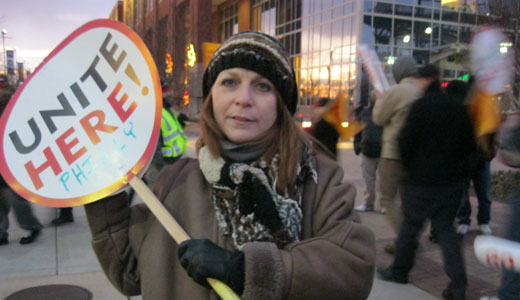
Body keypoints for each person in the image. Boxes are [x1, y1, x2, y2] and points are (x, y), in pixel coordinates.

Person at [84, 31, 376, 300]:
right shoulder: (175, 181)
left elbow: (352, 270)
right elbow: (129, 274)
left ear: (281, 104)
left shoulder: (318, 179)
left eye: (262, 86)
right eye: (229, 82)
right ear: (212, 97)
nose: (243, 99)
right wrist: (101, 196)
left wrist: (246, 269)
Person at [377, 65, 476, 300]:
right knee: (445, 232)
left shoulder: (420, 107)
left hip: (419, 182)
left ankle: (400, 271)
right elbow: (470, 148)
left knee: (410, 229)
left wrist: (411, 168)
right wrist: (460, 175)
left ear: (425, 82)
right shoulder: (459, 110)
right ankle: (458, 285)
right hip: (450, 184)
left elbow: (405, 140)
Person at [372, 56, 423, 252]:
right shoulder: (420, 91)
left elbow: (379, 118)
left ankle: (406, 241)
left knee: (387, 199)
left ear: (398, 72)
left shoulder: (397, 91)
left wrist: (379, 99)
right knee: (407, 200)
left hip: (393, 153)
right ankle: (409, 237)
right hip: (415, 154)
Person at [0, 84, 43, 244]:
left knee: (17, 201)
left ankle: (32, 226)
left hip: (12, 164)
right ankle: (1, 233)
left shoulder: (13, 111)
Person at [142, 80, 188, 186]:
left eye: (168, 91)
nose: (169, 94)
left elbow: (172, 132)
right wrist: (162, 170)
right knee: (159, 198)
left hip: (172, 163)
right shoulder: (154, 115)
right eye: (165, 91)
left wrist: (181, 122)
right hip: (162, 167)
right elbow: (153, 149)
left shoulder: (165, 109)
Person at [354, 96, 383, 213]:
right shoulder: (365, 113)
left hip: (379, 149)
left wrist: (357, 145)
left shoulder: (384, 111)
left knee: (379, 181)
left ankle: (377, 204)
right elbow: (357, 130)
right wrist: (357, 145)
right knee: (369, 180)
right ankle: (369, 203)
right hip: (370, 149)